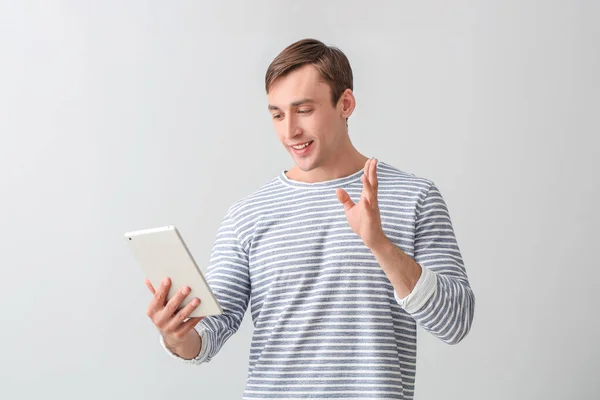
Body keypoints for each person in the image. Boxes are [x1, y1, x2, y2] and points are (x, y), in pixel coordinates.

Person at [144, 38, 475, 399]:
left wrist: (379, 245)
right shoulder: (248, 215)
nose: (290, 132)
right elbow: (208, 335)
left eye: (304, 110)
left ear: (345, 104)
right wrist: (176, 336)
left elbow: (455, 323)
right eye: (277, 114)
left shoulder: (414, 197)